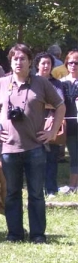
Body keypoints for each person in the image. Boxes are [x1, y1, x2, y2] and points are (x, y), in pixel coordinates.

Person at [0, 44, 65, 244]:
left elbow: (60, 106)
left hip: (35, 147)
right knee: (12, 194)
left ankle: (37, 235)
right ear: (10, 62)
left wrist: (52, 131)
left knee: (36, 194)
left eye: (22, 59)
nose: (18, 62)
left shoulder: (41, 83)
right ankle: (15, 234)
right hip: (9, 149)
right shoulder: (1, 83)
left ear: (30, 62)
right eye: (15, 59)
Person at [34, 52, 63, 197]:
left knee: (51, 158)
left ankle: (51, 189)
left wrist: (40, 103)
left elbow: (59, 103)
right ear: (37, 65)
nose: (46, 66)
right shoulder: (31, 81)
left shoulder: (57, 83)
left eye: (49, 63)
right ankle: (37, 189)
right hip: (33, 125)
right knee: (35, 159)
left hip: (52, 124)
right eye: (43, 63)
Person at [59, 49, 78, 194]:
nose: (73, 65)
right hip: (69, 125)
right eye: (70, 62)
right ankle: (73, 185)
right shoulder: (61, 83)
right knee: (74, 155)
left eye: (76, 63)